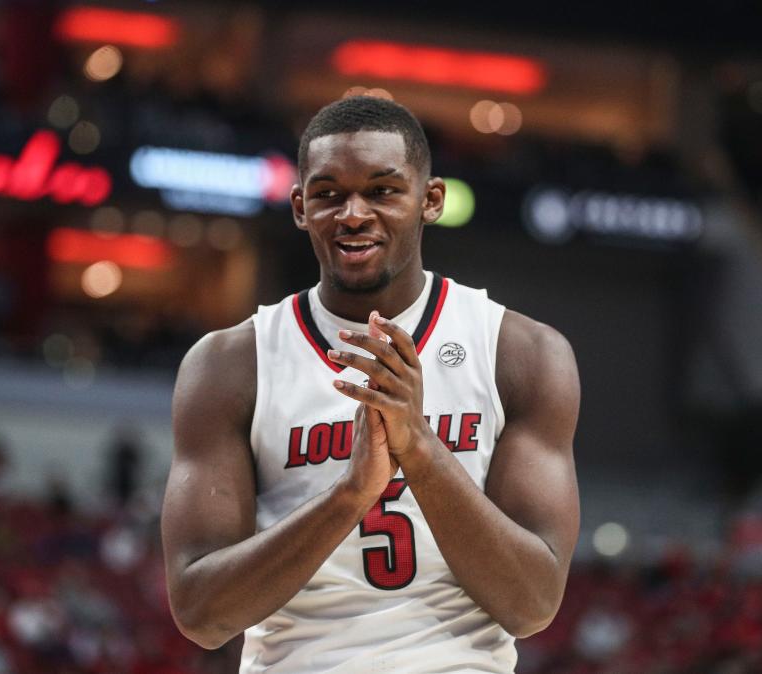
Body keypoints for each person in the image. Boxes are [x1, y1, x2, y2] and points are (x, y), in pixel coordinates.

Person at [161, 93, 580, 673]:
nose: (354, 214)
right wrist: (351, 494)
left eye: (383, 190)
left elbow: (532, 605)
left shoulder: (522, 354)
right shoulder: (230, 364)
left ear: (429, 200)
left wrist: (421, 450)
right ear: (301, 207)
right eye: (329, 195)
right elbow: (202, 615)